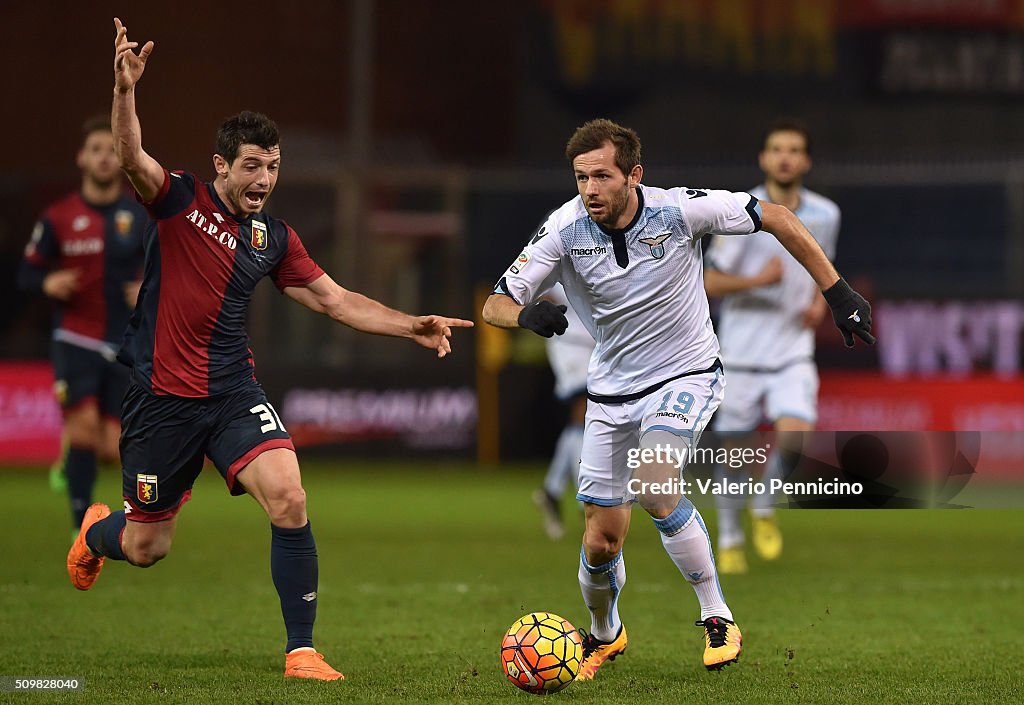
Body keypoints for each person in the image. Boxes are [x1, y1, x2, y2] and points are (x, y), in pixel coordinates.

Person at [67, 18, 473, 682]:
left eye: (274, 166)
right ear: (222, 163)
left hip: (232, 395)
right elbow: (132, 154)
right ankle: (94, 533)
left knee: (289, 495)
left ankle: (301, 651)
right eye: (252, 165)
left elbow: (335, 300)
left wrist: (412, 324)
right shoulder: (179, 200)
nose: (265, 177)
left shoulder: (272, 239)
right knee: (146, 546)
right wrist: (125, 91)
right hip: (162, 401)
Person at [482, 119, 872, 678]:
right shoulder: (563, 229)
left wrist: (837, 293)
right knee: (600, 541)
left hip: (686, 374)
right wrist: (524, 314)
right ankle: (603, 634)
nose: (590, 189)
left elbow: (778, 217)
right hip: (611, 391)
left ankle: (718, 616)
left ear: (634, 175)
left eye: (602, 176)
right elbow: (495, 302)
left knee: (656, 484)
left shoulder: (677, 210)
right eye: (580, 177)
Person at [704, 119, 841, 574]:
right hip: (741, 355)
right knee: (735, 457)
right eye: (776, 148)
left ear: (805, 161)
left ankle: (762, 505)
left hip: (792, 351)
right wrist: (757, 280)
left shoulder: (825, 215)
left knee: (796, 440)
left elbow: (824, 270)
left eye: (794, 149)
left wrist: (821, 308)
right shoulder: (740, 213)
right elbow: (708, 279)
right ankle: (729, 538)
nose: (785, 156)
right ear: (764, 159)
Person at [18, 116, 146, 535]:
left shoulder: (138, 215)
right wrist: (48, 280)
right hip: (74, 336)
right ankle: (81, 532)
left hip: (122, 342)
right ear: (82, 158)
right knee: (85, 429)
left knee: (112, 447)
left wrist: (147, 287)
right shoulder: (59, 216)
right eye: (96, 150)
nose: (105, 158)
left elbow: (166, 270)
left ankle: (69, 456)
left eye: (111, 150)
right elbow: (26, 273)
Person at [532, 282, 595, 540]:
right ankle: (586, 500)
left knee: (585, 418)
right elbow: (536, 288)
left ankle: (552, 490)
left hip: (591, 343)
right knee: (584, 412)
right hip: (570, 342)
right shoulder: (551, 242)